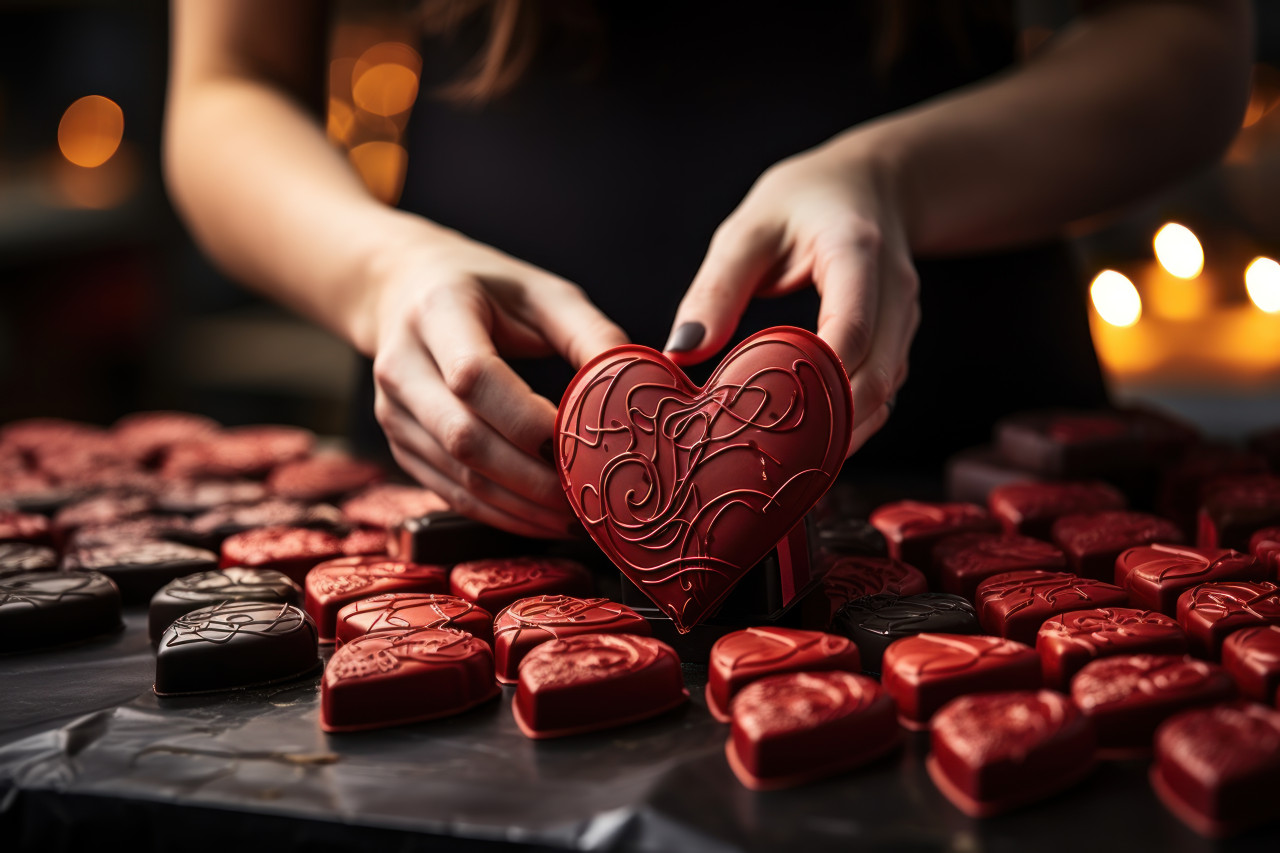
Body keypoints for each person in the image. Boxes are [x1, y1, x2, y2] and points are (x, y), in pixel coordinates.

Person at [164, 0, 1252, 539]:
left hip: (974, 482)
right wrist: (381, 271)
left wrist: (895, 177)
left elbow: (1190, 35)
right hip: (475, 463)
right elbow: (227, 88)